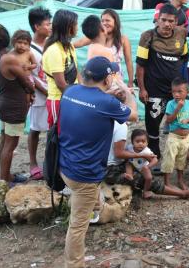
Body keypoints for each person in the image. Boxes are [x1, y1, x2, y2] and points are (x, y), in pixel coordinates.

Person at [58, 56, 138, 268]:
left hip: (64, 166)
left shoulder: (70, 91)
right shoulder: (107, 103)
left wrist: (109, 95)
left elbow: (93, 102)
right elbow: (134, 115)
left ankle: (100, 209)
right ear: (107, 79)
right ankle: (74, 265)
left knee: (91, 198)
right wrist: (127, 93)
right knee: (77, 226)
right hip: (84, 175)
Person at [0, 24, 35, 185]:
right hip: (14, 106)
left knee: (5, 141)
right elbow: (26, 81)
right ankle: (5, 180)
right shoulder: (9, 58)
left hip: (3, 103)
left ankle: (5, 175)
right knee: (10, 145)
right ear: (9, 39)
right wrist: (31, 91)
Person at [136, 3, 189, 160]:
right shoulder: (147, 37)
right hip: (154, 90)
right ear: (157, 20)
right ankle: (154, 157)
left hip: (176, 92)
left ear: (176, 22)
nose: (167, 24)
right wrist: (142, 89)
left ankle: (179, 158)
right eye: (164, 20)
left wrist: (186, 87)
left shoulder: (181, 34)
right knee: (152, 127)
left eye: (171, 21)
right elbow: (140, 65)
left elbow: (184, 60)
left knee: (182, 124)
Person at [104, 129, 189, 200]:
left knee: (149, 179)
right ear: (132, 142)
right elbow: (121, 154)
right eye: (137, 142)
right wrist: (138, 156)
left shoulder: (146, 151)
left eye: (143, 142)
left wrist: (147, 166)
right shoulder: (129, 146)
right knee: (131, 167)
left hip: (140, 167)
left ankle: (182, 194)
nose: (140, 144)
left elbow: (154, 159)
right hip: (115, 168)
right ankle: (182, 194)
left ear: (147, 142)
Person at [74, 9, 134, 88]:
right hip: (98, 80)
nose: (105, 23)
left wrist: (130, 81)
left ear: (115, 22)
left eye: (108, 20)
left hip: (115, 80)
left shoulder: (123, 39)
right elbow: (78, 43)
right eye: (102, 21)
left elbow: (129, 62)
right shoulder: (96, 37)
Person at [42, 9, 80, 128]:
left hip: (71, 97)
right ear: (69, 27)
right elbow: (61, 84)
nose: (77, 27)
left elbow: (76, 73)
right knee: (58, 137)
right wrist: (79, 100)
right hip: (59, 100)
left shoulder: (69, 47)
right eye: (76, 24)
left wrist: (83, 92)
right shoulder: (54, 50)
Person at [26, 7, 51, 181]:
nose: (50, 27)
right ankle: (33, 163)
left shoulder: (51, 43)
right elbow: (29, 76)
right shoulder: (28, 49)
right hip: (39, 95)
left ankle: (50, 161)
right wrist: (44, 90)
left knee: (52, 129)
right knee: (35, 129)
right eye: (47, 24)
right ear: (36, 26)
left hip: (53, 92)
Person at [162, 77, 189, 189]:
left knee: (181, 159)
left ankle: (180, 180)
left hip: (185, 137)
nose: (176, 94)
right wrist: (177, 108)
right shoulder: (170, 104)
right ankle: (167, 182)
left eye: (179, 91)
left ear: (187, 92)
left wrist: (188, 120)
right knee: (169, 158)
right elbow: (168, 120)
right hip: (174, 136)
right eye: (173, 92)